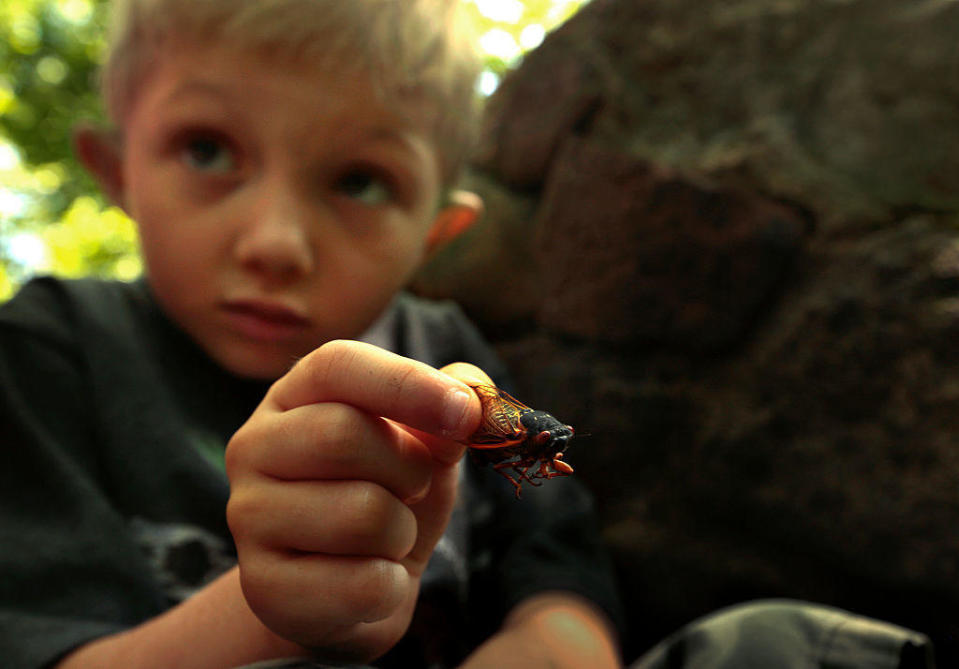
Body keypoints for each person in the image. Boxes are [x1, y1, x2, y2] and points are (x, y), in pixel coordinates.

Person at [0, 1, 623, 667]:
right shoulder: (48, 351)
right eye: (206, 150)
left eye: (360, 182)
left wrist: (548, 645)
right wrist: (275, 609)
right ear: (115, 169)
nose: (276, 244)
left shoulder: (450, 351)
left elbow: (561, 562)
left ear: (433, 236)